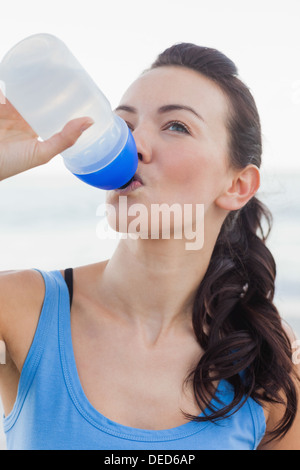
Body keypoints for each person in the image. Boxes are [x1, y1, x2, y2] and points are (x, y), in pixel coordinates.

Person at [0, 43, 299, 450]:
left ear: (237, 185)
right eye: (122, 122)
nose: (133, 144)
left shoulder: (267, 369)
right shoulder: (20, 310)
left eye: (176, 126)